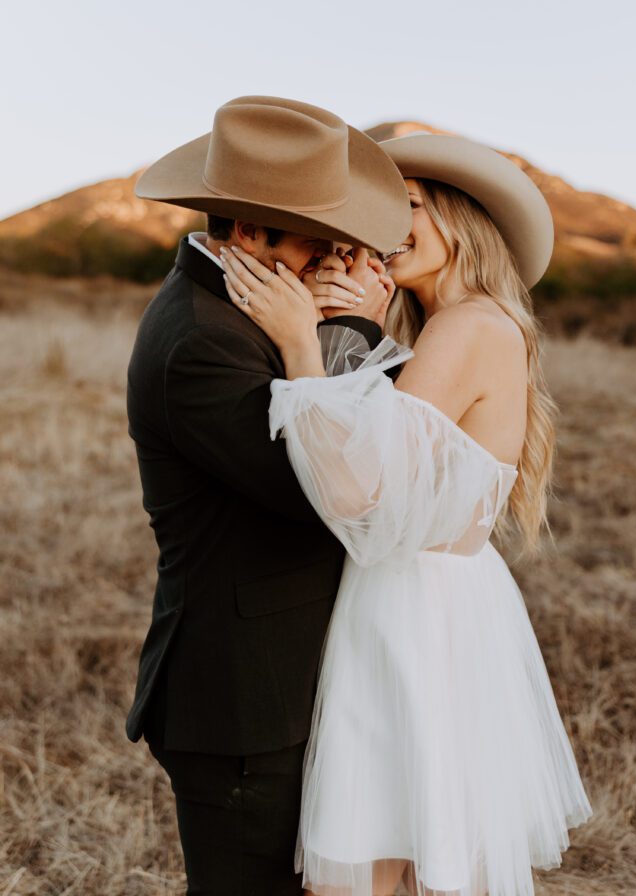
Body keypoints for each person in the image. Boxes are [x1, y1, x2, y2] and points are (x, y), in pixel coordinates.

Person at [220, 132, 593, 896]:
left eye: (411, 207)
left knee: (365, 865)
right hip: (437, 600)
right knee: (414, 850)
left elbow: (361, 494)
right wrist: (360, 330)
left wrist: (299, 346)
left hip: (412, 606)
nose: (388, 229)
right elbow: (395, 439)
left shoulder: (468, 326)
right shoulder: (459, 327)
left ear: (461, 220)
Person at [125, 95, 411, 895]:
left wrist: (320, 332)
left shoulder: (236, 311)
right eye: (318, 243)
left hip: (280, 682)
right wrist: (347, 333)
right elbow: (324, 491)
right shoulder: (202, 342)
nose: (332, 263)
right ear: (247, 232)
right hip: (241, 700)